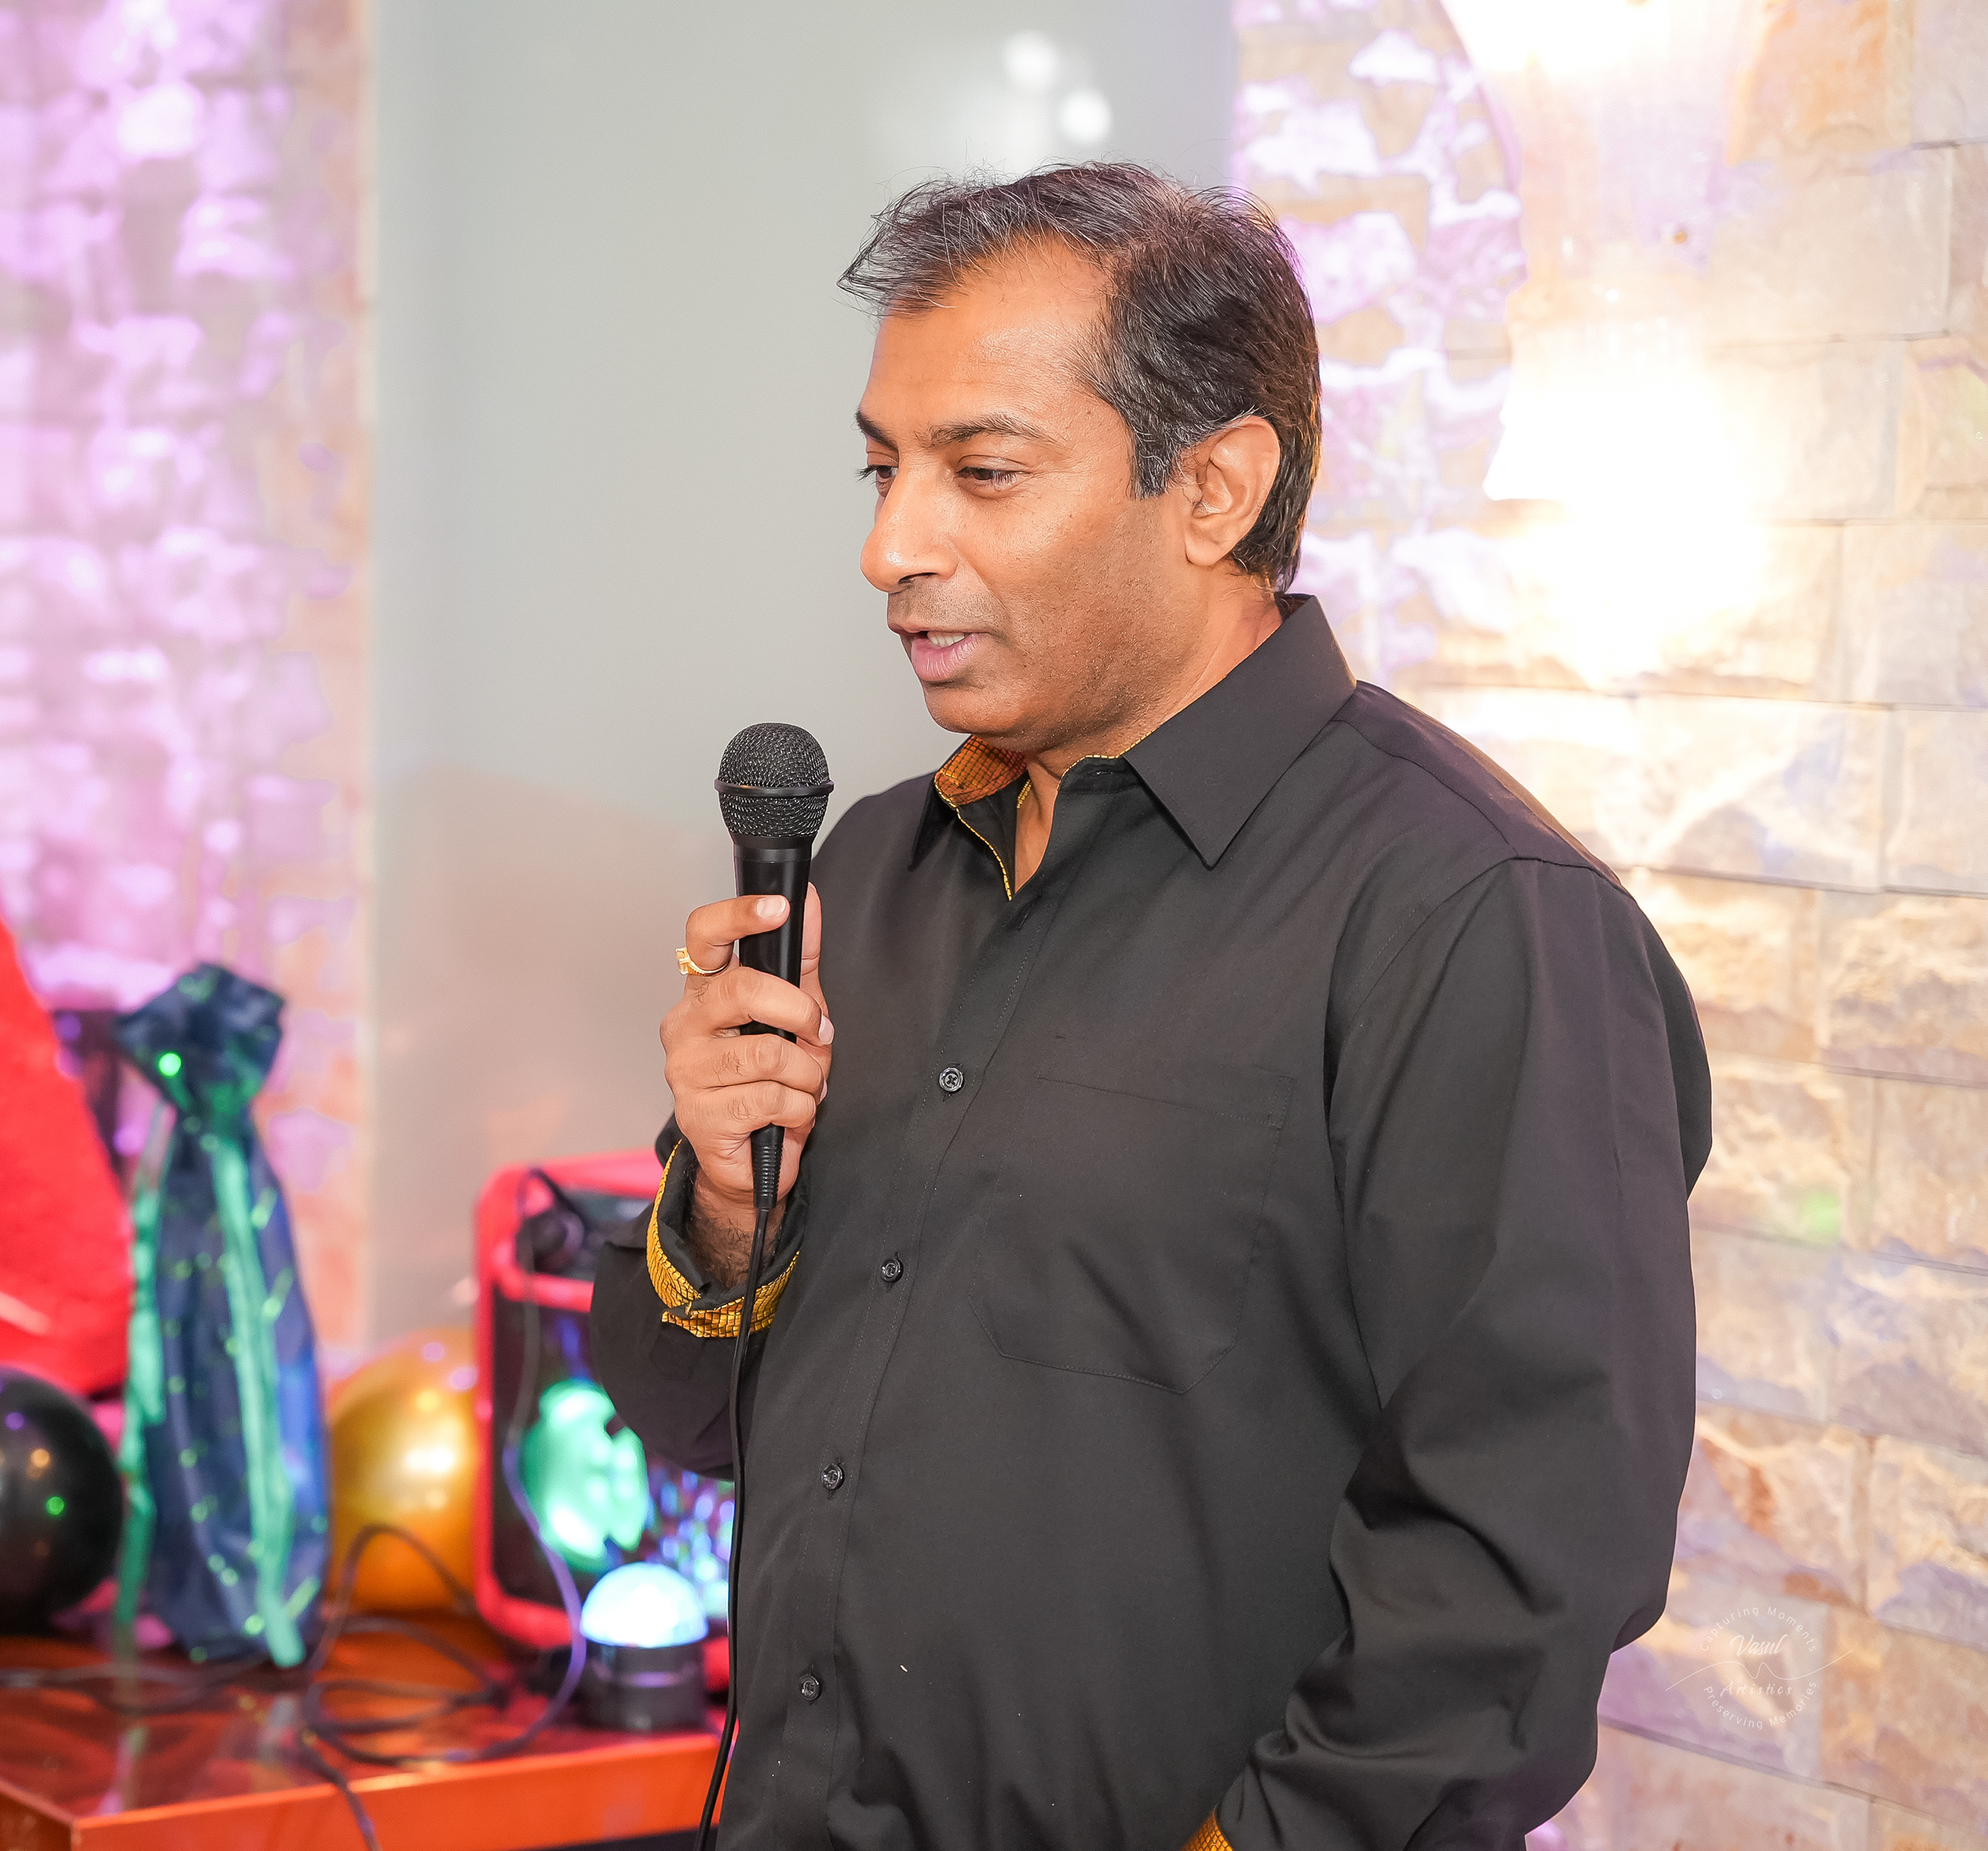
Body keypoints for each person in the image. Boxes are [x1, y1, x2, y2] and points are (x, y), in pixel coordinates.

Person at [588, 164, 1709, 1851]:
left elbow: (1517, 1572)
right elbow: (695, 1416)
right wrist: (726, 1217)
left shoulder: (1475, 918)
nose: (892, 548)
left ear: (1213, 488)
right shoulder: (869, 870)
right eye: (884, 470)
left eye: (983, 471)